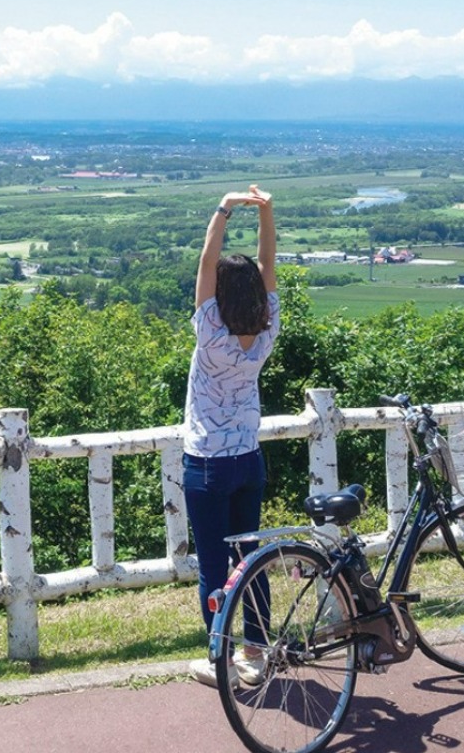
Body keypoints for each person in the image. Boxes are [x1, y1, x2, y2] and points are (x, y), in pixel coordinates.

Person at [183, 185, 279, 688]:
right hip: (248, 460)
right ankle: (255, 654)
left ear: (220, 294)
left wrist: (224, 206)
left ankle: (220, 662)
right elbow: (267, 262)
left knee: (214, 570)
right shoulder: (267, 330)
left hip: (206, 464)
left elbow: (206, 257)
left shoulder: (210, 331)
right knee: (253, 561)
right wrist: (267, 212)